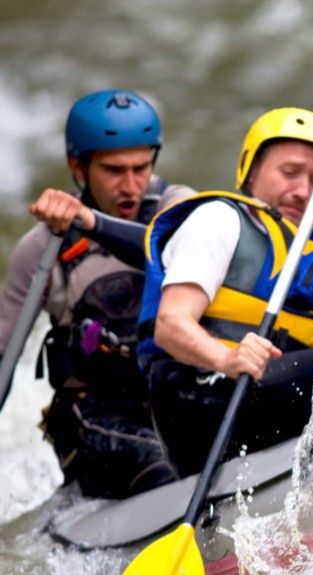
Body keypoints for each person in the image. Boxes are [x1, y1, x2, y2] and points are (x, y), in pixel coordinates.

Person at [137, 82, 313, 475]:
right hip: (202, 400)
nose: (303, 190)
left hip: (267, 398)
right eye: (290, 173)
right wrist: (227, 357)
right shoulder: (219, 220)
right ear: (251, 173)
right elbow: (170, 324)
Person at [0, 89, 193, 498]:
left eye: (141, 168)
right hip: (94, 420)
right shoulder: (43, 248)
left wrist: (92, 222)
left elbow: (176, 248)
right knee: (161, 464)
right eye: (113, 170)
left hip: (169, 399)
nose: (131, 185)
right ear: (78, 166)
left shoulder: (180, 208)